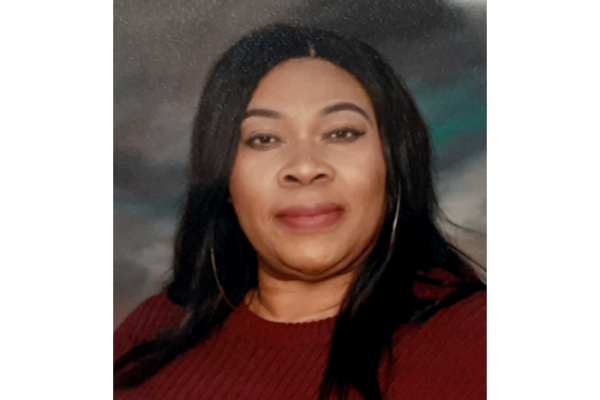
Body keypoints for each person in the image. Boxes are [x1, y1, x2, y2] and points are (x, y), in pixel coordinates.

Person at [113, 24, 487, 400]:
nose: (305, 167)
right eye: (264, 138)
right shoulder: (150, 334)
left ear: (394, 166)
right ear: (223, 180)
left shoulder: (473, 339)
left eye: (341, 133)